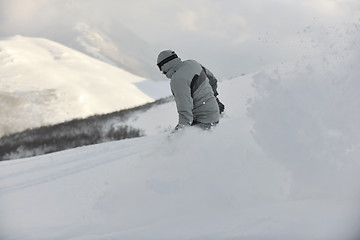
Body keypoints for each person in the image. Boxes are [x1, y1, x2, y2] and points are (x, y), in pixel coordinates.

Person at [157, 50, 225, 130]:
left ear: (164, 66)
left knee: (173, 141)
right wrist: (214, 99)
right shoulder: (192, 63)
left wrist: (181, 131)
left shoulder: (177, 79)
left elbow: (185, 108)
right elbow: (212, 80)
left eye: (161, 70)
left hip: (202, 119)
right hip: (214, 113)